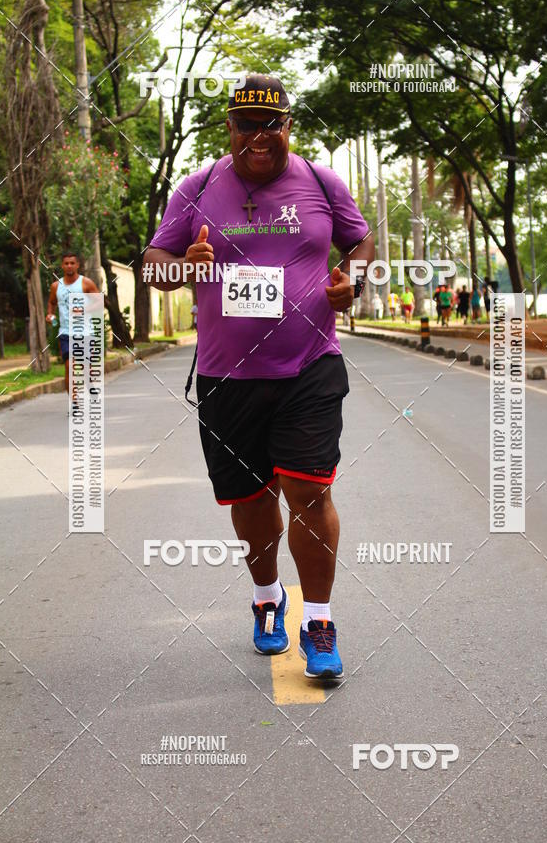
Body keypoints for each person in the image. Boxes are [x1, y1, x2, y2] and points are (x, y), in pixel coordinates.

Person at [143, 74, 375, 680]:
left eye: (272, 123)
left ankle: (318, 618)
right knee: (249, 502)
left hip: (310, 365)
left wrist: (355, 283)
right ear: (231, 127)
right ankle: (267, 598)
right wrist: (180, 268)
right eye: (248, 124)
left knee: (310, 490)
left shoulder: (322, 183)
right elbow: (152, 266)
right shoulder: (196, 189)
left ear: (287, 125)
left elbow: (360, 244)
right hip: (227, 376)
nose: (260, 136)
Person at [46, 252, 100, 406]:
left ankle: (90, 385)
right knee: (70, 366)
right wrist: (50, 315)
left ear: (77, 265)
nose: (69, 266)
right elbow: (51, 303)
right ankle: (75, 403)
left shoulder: (86, 283)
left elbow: (99, 302)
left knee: (86, 368)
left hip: (86, 332)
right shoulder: (56, 286)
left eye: (72, 263)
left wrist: (84, 309)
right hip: (66, 332)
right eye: (66, 263)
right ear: (62, 266)